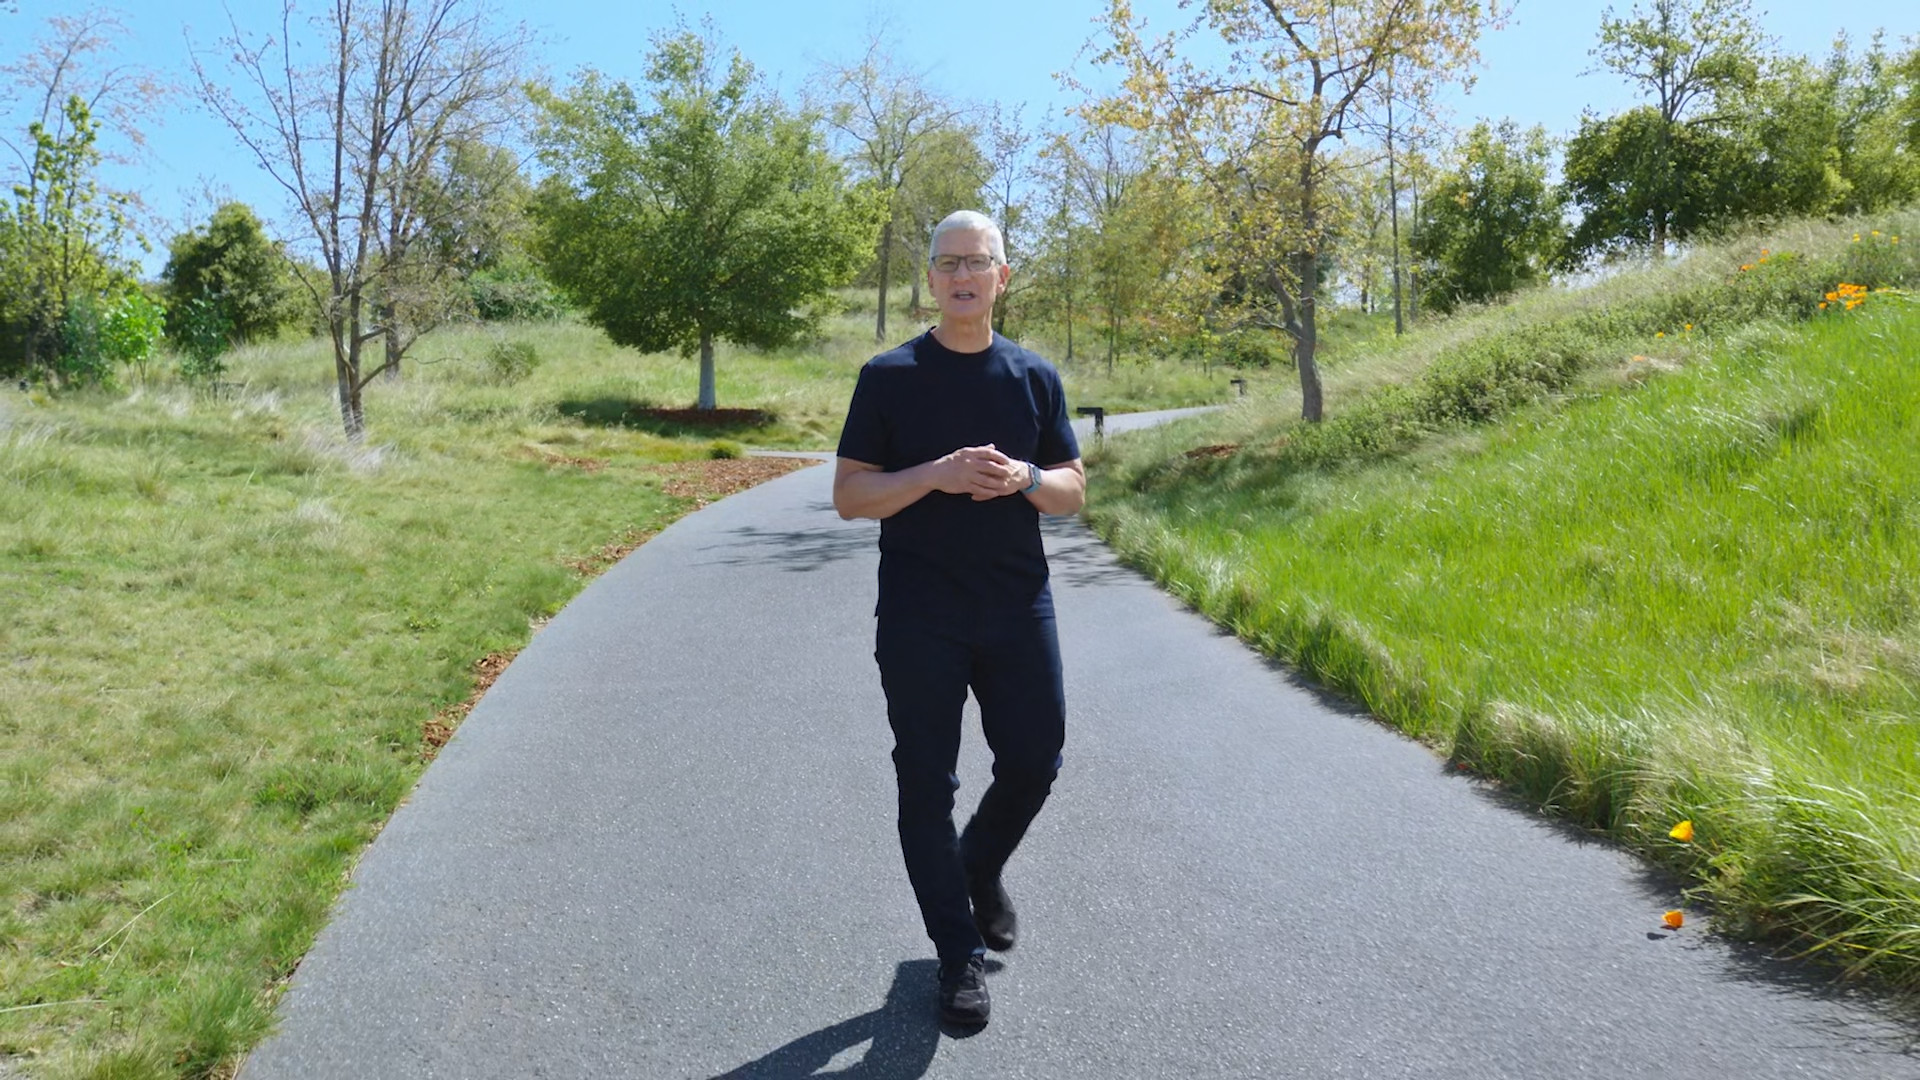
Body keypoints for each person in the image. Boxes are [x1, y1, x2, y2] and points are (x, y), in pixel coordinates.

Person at [832, 210, 1085, 1028]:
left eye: (979, 261)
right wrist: (936, 472)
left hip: (1017, 603)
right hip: (920, 612)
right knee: (925, 784)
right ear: (931, 280)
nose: (964, 274)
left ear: (1003, 277)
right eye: (948, 263)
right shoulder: (890, 377)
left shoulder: (1034, 378)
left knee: (1035, 759)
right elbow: (850, 496)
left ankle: (977, 868)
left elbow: (1073, 494)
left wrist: (1023, 478)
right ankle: (957, 957)